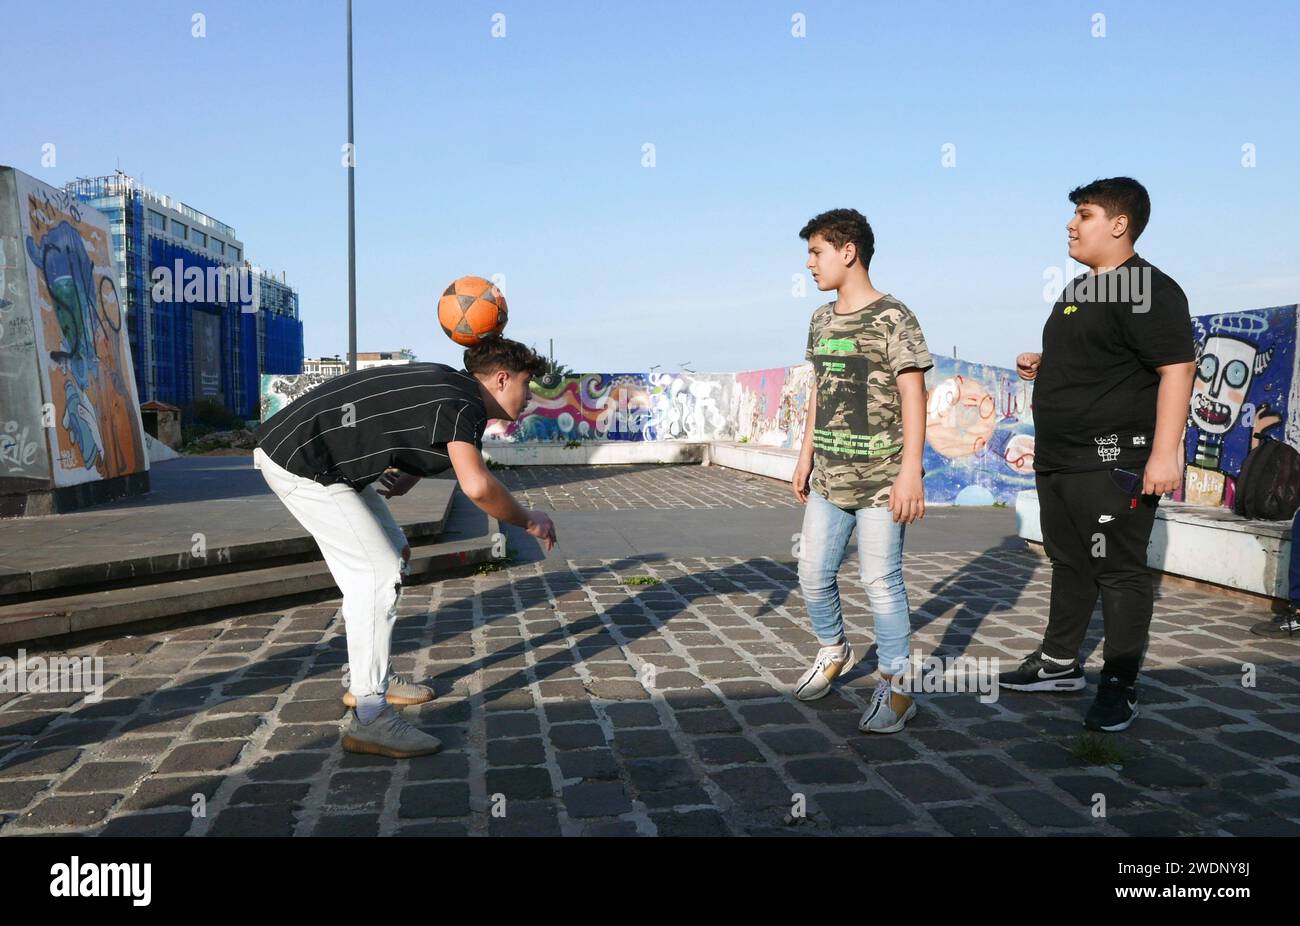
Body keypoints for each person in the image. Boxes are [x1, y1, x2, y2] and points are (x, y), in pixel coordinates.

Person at [252, 337, 557, 758]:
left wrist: (412, 472)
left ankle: (374, 679)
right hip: (301, 462)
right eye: (526, 385)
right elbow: (478, 486)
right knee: (375, 575)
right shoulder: (463, 404)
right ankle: (371, 717)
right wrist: (528, 520)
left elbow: (409, 420)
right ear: (502, 378)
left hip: (322, 461)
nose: (528, 399)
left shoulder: (455, 389)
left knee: (392, 554)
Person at [999, 177, 1195, 733]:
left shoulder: (1150, 288)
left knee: (1119, 570)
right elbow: (1101, 357)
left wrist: (1164, 455)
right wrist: (1043, 363)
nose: (1071, 224)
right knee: (1070, 560)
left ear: (1119, 224)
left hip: (1114, 461)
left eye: (1083, 214)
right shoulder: (1080, 291)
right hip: (1060, 456)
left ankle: (1120, 684)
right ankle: (1060, 664)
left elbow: (1177, 368)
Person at [790, 208, 931, 734]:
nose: (809, 264)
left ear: (848, 252)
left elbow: (914, 395)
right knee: (811, 572)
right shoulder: (821, 320)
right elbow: (819, 391)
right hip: (828, 477)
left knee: (881, 582)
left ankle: (897, 690)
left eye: (816, 252)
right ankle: (834, 652)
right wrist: (804, 456)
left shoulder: (894, 317)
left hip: (880, 481)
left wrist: (911, 472)